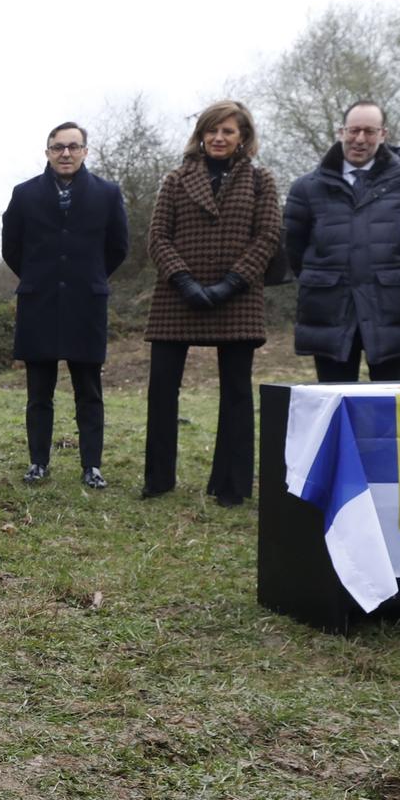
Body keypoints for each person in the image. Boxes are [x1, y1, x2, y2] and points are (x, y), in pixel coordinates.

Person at [141, 99, 282, 507]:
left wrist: (231, 283)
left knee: (237, 392)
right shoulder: (174, 180)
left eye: (228, 131)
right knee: (162, 390)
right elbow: (158, 238)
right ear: (201, 135)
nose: (219, 138)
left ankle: (231, 485)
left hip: (238, 297)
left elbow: (268, 237)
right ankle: (158, 479)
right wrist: (184, 281)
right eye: (212, 130)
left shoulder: (261, 182)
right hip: (176, 297)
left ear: (243, 138)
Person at [0, 121, 129, 486]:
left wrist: (90, 277)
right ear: (47, 152)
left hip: (86, 304)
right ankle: (38, 462)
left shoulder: (108, 193)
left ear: (86, 151)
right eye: (58, 147)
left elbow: (118, 247)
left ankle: (92, 466)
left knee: (89, 391)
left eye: (73, 147)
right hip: (38, 303)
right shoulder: (23, 194)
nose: (66, 153)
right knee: (38, 393)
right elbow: (12, 247)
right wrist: (37, 277)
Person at [284, 100, 400, 382]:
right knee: (334, 403)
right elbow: (294, 249)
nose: (360, 139)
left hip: (393, 310)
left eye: (369, 131)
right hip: (329, 309)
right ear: (341, 132)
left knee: (391, 406)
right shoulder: (306, 188)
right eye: (353, 130)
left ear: (383, 134)